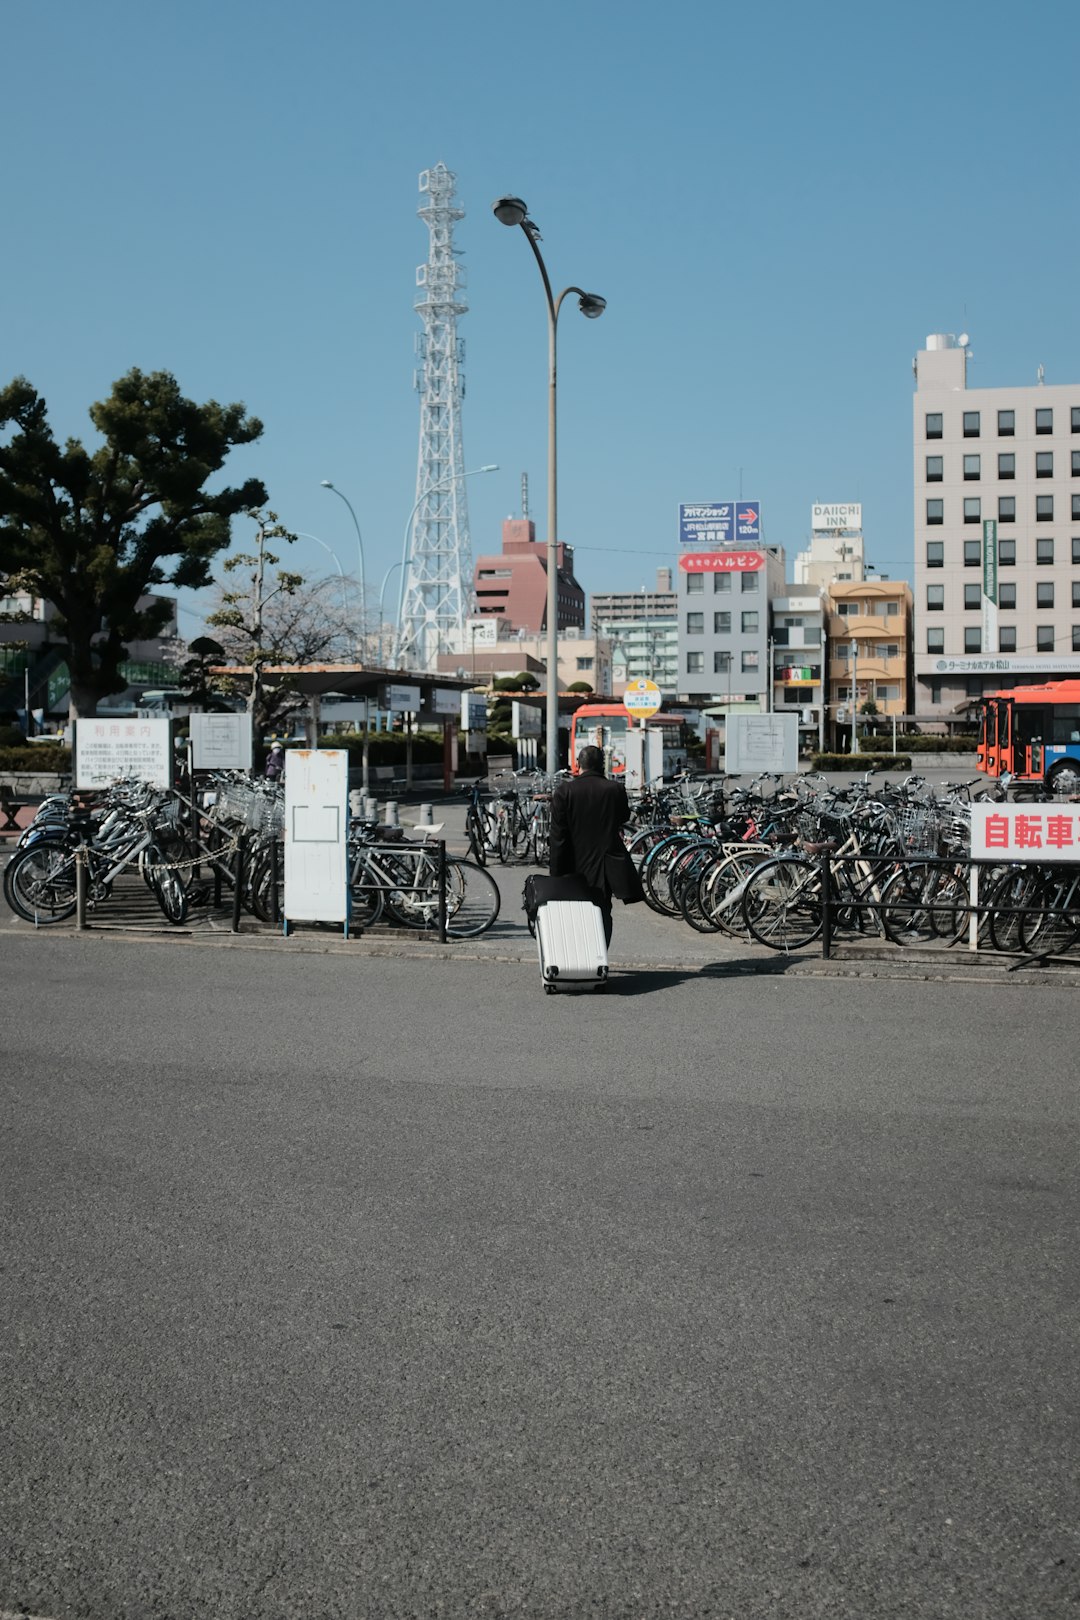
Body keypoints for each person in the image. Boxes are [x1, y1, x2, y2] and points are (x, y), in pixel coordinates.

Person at [549, 745, 634, 945]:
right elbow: (623, 817)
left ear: (579, 765)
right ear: (602, 765)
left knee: (574, 910)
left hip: (572, 861)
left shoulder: (564, 791)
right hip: (605, 862)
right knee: (603, 909)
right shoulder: (615, 789)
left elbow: (557, 835)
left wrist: (556, 871)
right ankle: (600, 954)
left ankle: (579, 956)